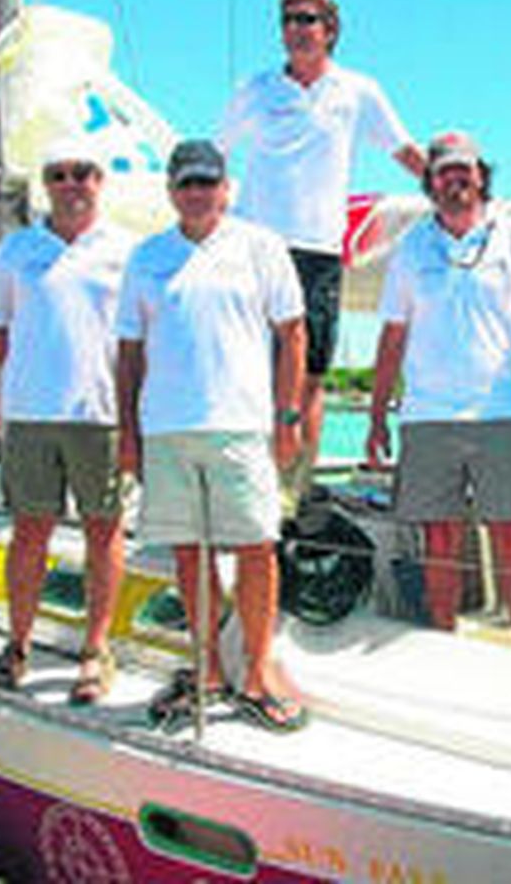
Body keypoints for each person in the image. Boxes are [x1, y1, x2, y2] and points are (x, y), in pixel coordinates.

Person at [115, 139, 309, 732]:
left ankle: (257, 671)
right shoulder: (146, 257)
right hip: (167, 430)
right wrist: (128, 433)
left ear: (226, 189)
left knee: (256, 549)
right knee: (189, 552)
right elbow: (129, 353)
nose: (197, 194)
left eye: (208, 183)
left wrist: (288, 417)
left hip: (243, 428)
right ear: (172, 192)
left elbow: (293, 333)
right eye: (186, 184)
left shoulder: (261, 247)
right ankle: (206, 671)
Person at [216, 0, 426, 503]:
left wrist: (452, 194)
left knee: (310, 376)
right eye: (288, 19)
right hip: (256, 249)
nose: (296, 28)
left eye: (307, 19)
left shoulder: (358, 92)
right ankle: (244, 487)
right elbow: (213, 155)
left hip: (319, 251)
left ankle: (294, 491)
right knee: (249, 369)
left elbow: (404, 151)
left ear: (330, 31)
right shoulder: (257, 89)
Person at [365, 130, 511, 653]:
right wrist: (377, 415)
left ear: (481, 177)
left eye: (464, 170)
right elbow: (392, 335)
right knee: (440, 541)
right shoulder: (410, 248)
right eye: (444, 171)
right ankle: (444, 648)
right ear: (430, 182)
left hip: (501, 412)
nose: (455, 179)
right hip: (426, 417)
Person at [0, 136, 135, 704]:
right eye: (60, 174)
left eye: (83, 173)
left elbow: (139, 339)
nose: (72, 183)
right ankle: (17, 645)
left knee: (103, 531)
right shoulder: (15, 250)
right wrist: (35, 374)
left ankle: (95, 651)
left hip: (101, 415)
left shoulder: (125, 251)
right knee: (29, 534)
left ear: (100, 180)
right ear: (47, 183)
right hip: (30, 417)